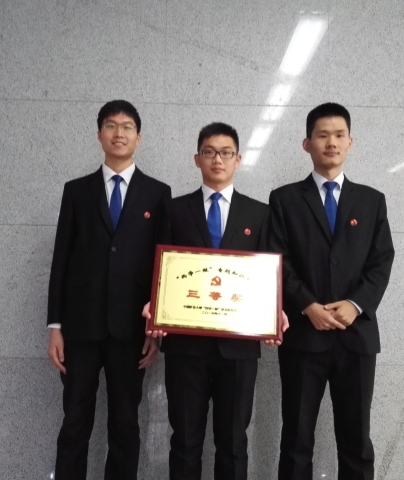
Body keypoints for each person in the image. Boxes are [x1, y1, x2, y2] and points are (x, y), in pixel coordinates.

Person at [145, 122, 286, 480]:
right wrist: (154, 302)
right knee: (185, 441)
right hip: (185, 348)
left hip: (238, 350)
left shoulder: (259, 213)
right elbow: (160, 269)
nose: (217, 159)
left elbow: (268, 274)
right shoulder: (174, 210)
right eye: (209, 152)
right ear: (197, 159)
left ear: (238, 159)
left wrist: (274, 312)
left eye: (226, 153)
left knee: (234, 442)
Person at [46, 100, 171, 480]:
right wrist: (55, 326)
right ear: (99, 134)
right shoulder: (76, 191)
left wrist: (155, 329)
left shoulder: (158, 193)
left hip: (131, 329)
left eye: (127, 126)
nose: (119, 133)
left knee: (125, 424)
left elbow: (163, 267)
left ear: (138, 137)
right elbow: (61, 261)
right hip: (80, 328)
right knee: (75, 421)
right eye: (111, 126)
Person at [269, 103, 395, 480]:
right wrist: (307, 304)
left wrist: (356, 304)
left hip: (356, 337)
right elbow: (277, 260)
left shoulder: (371, 200)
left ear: (350, 143)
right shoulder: (284, 199)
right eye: (322, 135)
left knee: (357, 441)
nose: (331, 143)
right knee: (296, 440)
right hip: (303, 336)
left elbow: (381, 260)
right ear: (307, 143)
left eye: (339, 135)